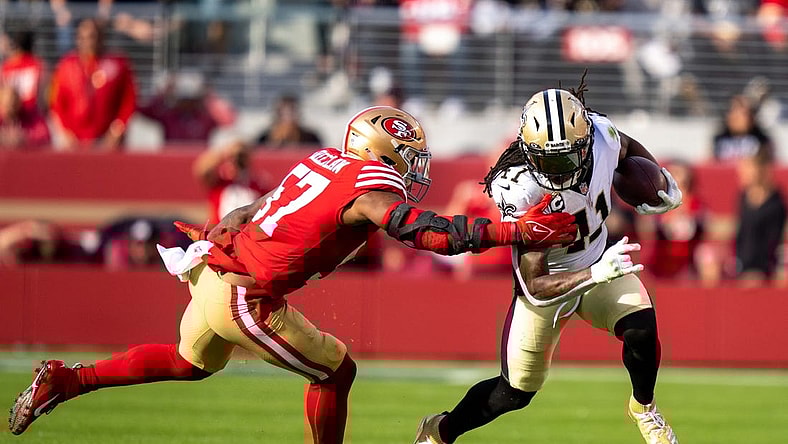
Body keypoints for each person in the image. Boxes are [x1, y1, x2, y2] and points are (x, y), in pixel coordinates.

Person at [8, 106, 578, 443]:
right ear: (381, 152)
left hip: (215, 269)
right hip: (244, 294)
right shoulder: (368, 187)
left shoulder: (322, 161)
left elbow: (245, 211)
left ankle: (68, 379)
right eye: (407, 158)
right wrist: (515, 231)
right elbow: (422, 232)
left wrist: (218, 234)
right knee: (336, 372)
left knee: (188, 363)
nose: (412, 169)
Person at [414, 76, 684, 444]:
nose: (557, 171)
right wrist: (595, 273)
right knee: (513, 393)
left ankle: (644, 408)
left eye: (568, 158)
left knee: (642, 328)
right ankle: (440, 431)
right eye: (546, 160)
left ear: (586, 142)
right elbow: (536, 285)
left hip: (597, 256)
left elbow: (626, 147)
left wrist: (659, 181)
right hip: (550, 285)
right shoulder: (518, 184)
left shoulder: (602, 135)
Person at [49, 18, 136, 151]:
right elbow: (57, 102)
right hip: (74, 141)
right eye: (82, 37)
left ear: (101, 37)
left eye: (91, 37)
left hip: (107, 140)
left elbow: (128, 101)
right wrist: (65, 132)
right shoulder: (66, 65)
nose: (87, 42)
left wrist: (116, 130)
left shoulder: (118, 64)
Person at [138, 70, 237, 143]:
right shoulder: (168, 116)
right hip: (171, 161)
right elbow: (144, 110)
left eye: (191, 99)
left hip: (197, 162)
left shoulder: (206, 118)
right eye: (183, 98)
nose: (187, 103)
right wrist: (163, 92)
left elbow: (229, 119)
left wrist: (209, 95)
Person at [734, 149, 786, 284]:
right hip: (741, 268)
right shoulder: (743, 197)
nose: (742, 173)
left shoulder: (775, 203)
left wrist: (762, 271)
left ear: (760, 170)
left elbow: (774, 240)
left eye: (747, 168)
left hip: (764, 271)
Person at [192, 141, 271, 224]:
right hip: (220, 232)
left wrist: (244, 155)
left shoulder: (258, 185)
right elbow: (203, 170)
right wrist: (225, 153)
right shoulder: (220, 183)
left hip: (247, 233)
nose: (235, 163)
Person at [711, 95, 774, 163]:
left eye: (745, 113)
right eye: (736, 113)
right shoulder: (719, 140)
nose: (741, 119)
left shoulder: (762, 141)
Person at [0, 30, 46, 114]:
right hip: (32, 113)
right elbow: (41, 94)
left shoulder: (7, 66)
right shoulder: (37, 64)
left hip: (11, 112)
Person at [256, 95, 322, 148]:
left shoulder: (311, 138)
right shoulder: (265, 137)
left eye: (291, 112)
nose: (288, 117)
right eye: (283, 113)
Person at [0, 84, 50, 149]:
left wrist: (24, 137)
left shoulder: (30, 115)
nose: (11, 107)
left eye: (13, 103)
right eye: (6, 105)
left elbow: (44, 134)